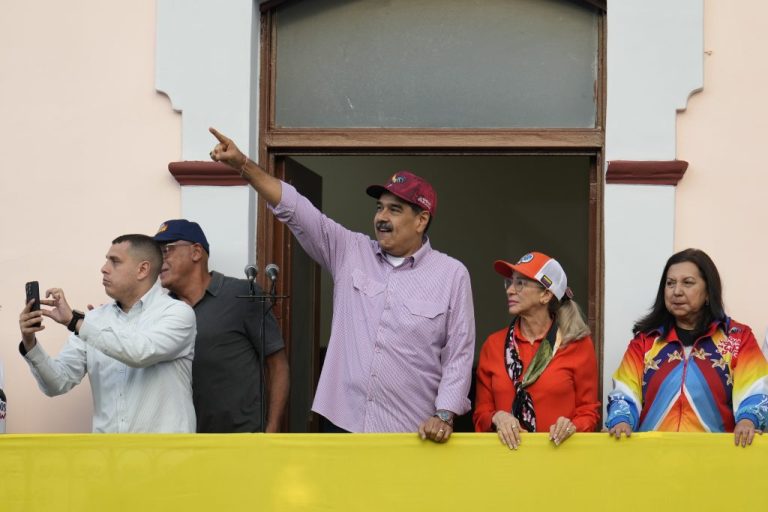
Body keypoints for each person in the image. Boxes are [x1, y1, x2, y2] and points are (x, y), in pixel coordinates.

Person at [208, 127, 475, 442]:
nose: (382, 217)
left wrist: (444, 414)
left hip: (410, 432)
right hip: (342, 424)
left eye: (394, 209)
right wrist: (243, 165)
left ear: (421, 220)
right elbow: (296, 209)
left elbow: (458, 354)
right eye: (379, 207)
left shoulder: (451, 274)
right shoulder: (350, 250)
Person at [17, 234, 196, 433]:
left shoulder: (177, 313)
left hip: (165, 451)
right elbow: (57, 383)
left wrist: (75, 322)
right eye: (106, 260)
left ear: (143, 269)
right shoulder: (93, 321)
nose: (104, 268)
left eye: (115, 261)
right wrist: (30, 342)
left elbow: (140, 352)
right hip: (108, 451)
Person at [606, 248, 768, 447]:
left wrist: (748, 420)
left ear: (708, 292)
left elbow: (755, 390)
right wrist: (621, 421)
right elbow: (624, 393)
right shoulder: (645, 341)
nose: (676, 291)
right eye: (670, 283)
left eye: (688, 283)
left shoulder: (736, 337)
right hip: (652, 456)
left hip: (715, 456)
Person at [152, 219, 289, 433]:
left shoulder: (243, 295)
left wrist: (271, 431)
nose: (159, 260)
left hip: (243, 440)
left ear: (196, 252)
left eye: (166, 250)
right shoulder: (160, 310)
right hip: (183, 441)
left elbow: (277, 365)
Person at [474, 252, 600, 449]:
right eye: (510, 282)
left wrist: (572, 426)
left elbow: (588, 411)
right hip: (504, 460)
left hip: (558, 459)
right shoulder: (493, 345)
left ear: (546, 295)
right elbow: (481, 414)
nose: (510, 290)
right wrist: (496, 417)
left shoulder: (577, 344)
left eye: (520, 284)